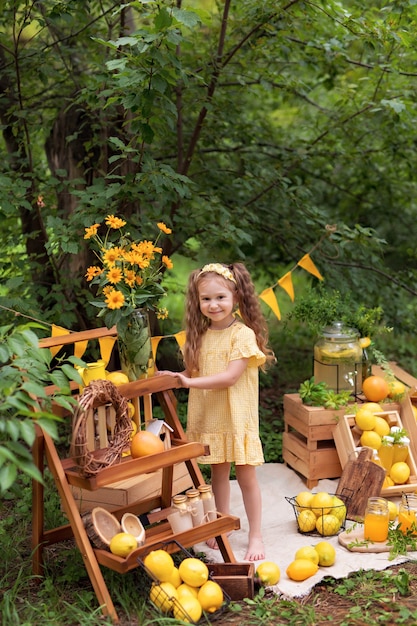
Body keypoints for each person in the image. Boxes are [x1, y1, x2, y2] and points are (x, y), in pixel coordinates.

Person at [160, 262, 276, 561]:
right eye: (206, 299)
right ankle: (222, 524)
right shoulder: (198, 336)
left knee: (246, 476)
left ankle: (255, 536)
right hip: (211, 415)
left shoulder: (242, 335)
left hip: (236, 417)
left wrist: (188, 382)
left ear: (236, 297)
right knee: (218, 475)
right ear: (197, 302)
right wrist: (174, 377)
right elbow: (193, 372)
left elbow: (229, 377)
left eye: (220, 297)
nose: (213, 305)